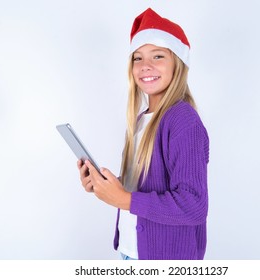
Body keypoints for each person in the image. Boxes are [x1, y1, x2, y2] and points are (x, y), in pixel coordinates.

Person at [77, 8, 209, 260]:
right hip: (131, 253)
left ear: (178, 65)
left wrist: (125, 199)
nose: (145, 66)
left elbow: (193, 205)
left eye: (158, 56)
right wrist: (105, 187)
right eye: (137, 58)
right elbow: (145, 188)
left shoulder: (183, 121)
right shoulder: (142, 120)